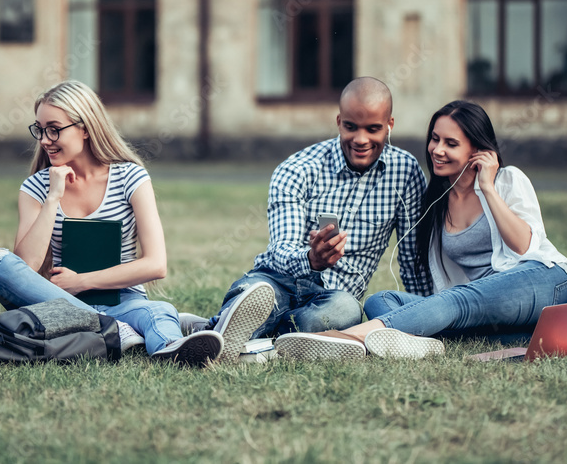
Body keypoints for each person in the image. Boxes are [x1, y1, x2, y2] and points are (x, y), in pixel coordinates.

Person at [274, 100, 567, 360]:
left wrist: (488, 188)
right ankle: (444, 342)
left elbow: (525, 247)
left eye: (451, 144)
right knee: (381, 301)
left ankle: (347, 339)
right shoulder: (435, 202)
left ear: (478, 150)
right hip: (484, 310)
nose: (437, 150)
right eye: (435, 139)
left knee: (458, 300)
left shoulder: (507, 181)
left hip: (544, 284)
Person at [0, 80, 253, 367]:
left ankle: (171, 346)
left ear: (85, 128)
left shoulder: (130, 178)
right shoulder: (35, 188)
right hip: (57, 302)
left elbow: (155, 265)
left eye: (54, 129)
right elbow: (27, 266)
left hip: (125, 300)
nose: (44, 140)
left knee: (157, 311)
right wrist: (52, 198)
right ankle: (116, 328)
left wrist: (81, 281)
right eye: (40, 129)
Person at [180, 77, 428, 363]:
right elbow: (280, 249)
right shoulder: (297, 169)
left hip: (335, 297)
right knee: (260, 295)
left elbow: (411, 261)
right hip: (279, 280)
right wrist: (312, 259)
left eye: (372, 129)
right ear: (339, 121)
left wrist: (425, 318)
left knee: (346, 310)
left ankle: (224, 331)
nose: (361, 140)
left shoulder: (406, 173)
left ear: (389, 125)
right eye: (351, 127)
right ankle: (247, 335)